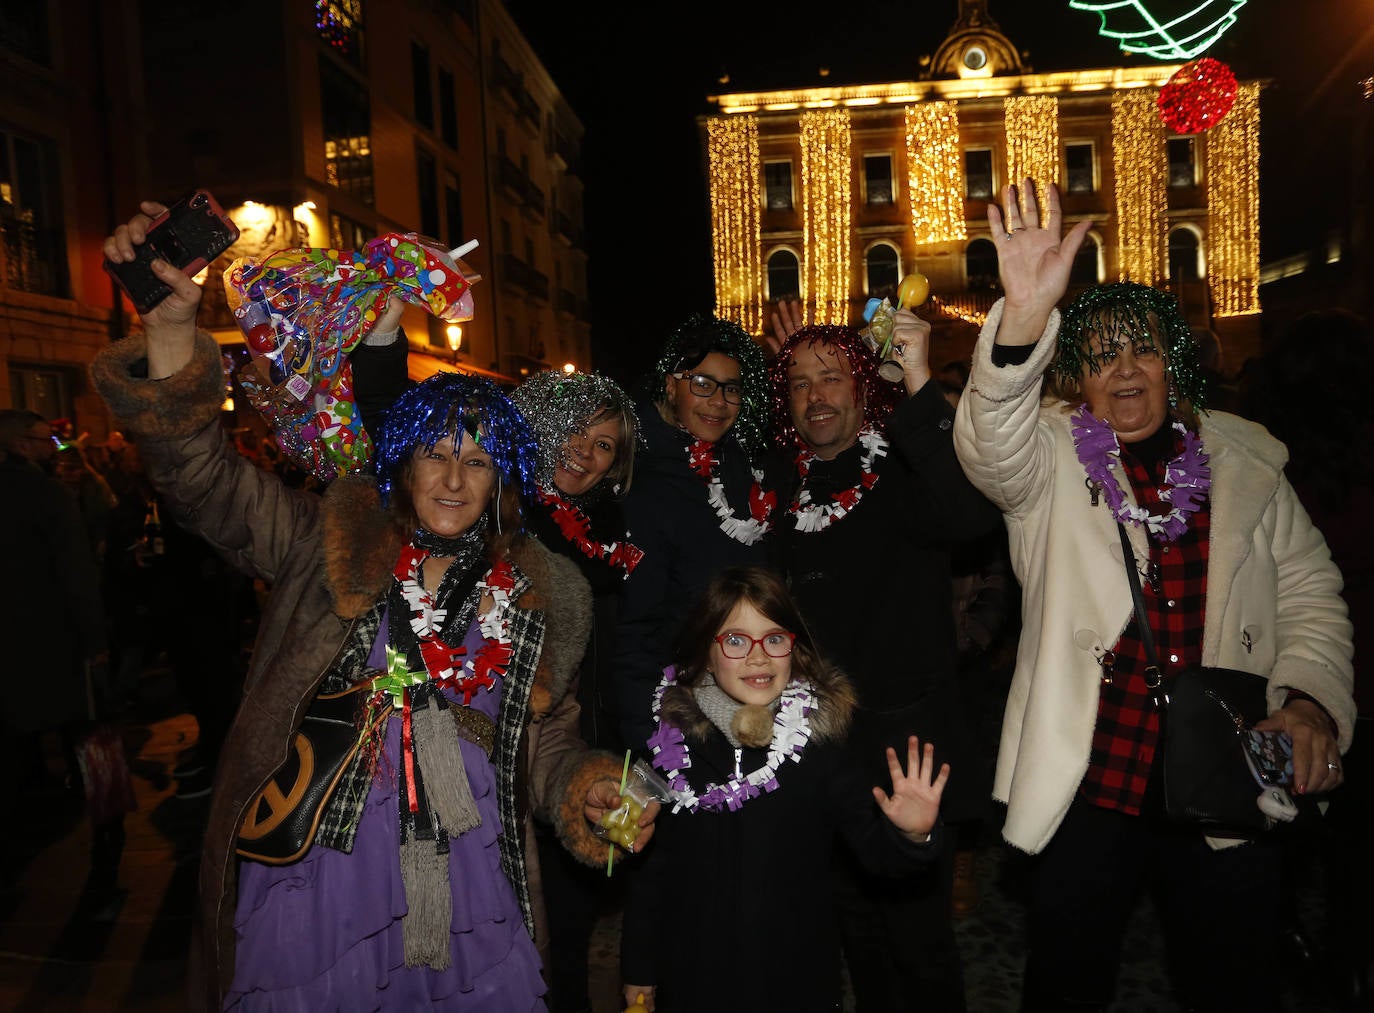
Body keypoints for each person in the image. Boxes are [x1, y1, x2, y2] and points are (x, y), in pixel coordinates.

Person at [92, 201, 659, 1010]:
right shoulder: (327, 539)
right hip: (321, 874)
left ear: (503, 480)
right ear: (404, 462)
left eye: (476, 460)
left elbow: (548, 742)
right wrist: (172, 332)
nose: (455, 479)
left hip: (467, 882)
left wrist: (586, 788)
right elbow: (200, 479)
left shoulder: (542, 593)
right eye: (434, 452)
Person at [951, 178, 1355, 1011]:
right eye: (1100, 355)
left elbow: (1313, 594)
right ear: (1079, 379)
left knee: (1233, 982)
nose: (1123, 370)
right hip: (1090, 781)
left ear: (1175, 365)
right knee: (1065, 980)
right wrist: (1024, 315)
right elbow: (989, 444)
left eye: (1142, 350)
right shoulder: (1049, 462)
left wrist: (1312, 700)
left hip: (1224, 780)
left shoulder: (1250, 462)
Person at [765, 306, 1003, 1012]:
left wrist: (920, 381)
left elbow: (973, 517)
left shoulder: (901, 465)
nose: (816, 396)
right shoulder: (779, 483)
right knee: (858, 939)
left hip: (908, 747)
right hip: (818, 748)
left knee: (920, 945)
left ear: (865, 386)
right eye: (800, 382)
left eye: (832, 377)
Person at [620, 565, 948, 1012]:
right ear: (703, 652)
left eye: (774, 638)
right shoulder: (667, 749)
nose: (759, 656)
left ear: (794, 649)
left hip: (793, 978)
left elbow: (877, 857)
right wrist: (640, 969)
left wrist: (910, 835)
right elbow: (648, 872)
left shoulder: (819, 749)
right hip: (693, 975)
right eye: (735, 640)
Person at [613, 313, 772, 752]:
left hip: (755, 691)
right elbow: (636, 627)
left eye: (731, 388)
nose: (718, 402)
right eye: (702, 384)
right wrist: (648, 745)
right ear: (670, 386)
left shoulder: (741, 464)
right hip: (685, 721)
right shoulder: (646, 481)